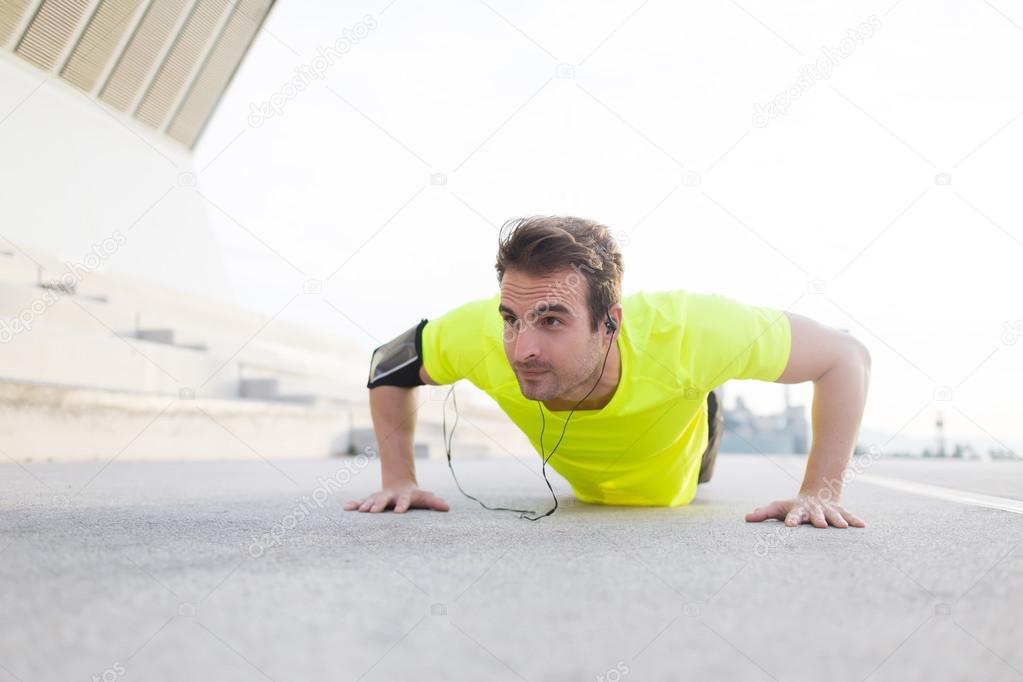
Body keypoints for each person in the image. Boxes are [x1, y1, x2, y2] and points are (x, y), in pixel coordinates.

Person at [345, 216, 870, 528]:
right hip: (593, 479)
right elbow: (388, 364)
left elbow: (845, 356)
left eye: (552, 320)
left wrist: (821, 491)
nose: (521, 347)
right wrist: (399, 480)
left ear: (610, 323)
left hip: (679, 454)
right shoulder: (481, 333)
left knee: (694, 396)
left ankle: (705, 404)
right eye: (511, 319)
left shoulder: (690, 330)